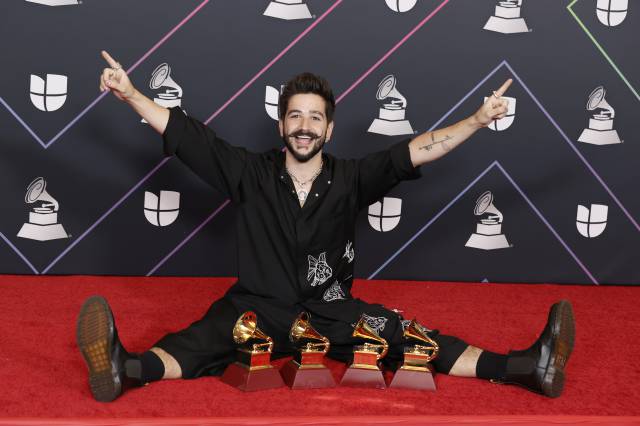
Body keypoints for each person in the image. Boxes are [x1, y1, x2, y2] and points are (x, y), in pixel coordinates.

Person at [76, 50, 575, 402]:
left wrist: (475, 121)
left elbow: (416, 149)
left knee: (413, 337)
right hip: (257, 309)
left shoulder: (352, 178)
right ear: (281, 126)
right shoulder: (249, 172)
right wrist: (133, 94)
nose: (304, 126)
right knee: (200, 338)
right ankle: (125, 368)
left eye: (315, 118)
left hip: (330, 312)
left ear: (329, 129)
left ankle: (527, 368)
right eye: (295, 116)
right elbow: (187, 137)